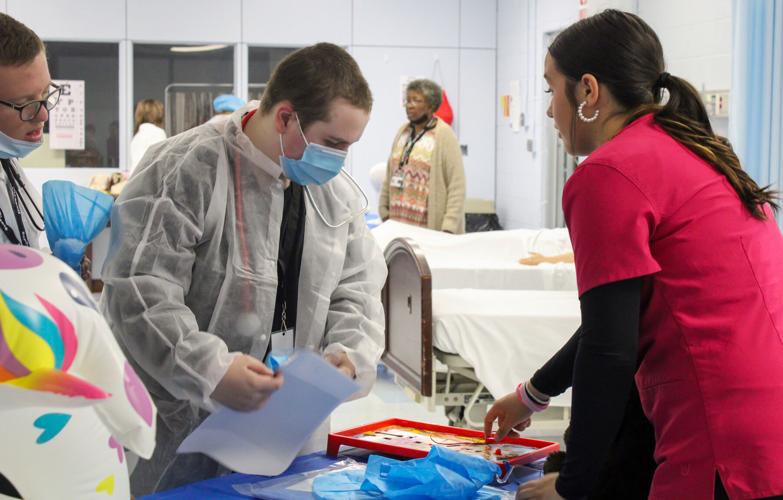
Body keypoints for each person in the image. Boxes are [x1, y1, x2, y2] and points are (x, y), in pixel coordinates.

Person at [484, 10, 783, 500]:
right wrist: (533, 394)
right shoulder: (695, 148)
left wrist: (573, 487)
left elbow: (610, 346)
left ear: (587, 91)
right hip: (764, 428)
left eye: (549, 90)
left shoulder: (608, 174)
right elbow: (627, 310)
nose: (547, 110)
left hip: (720, 440)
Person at [100, 42, 386, 495]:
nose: (339, 160)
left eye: (349, 146)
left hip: (288, 437)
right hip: (181, 426)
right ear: (286, 118)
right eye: (333, 143)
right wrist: (209, 371)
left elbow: (359, 289)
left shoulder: (334, 195)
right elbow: (140, 292)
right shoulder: (185, 169)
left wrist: (347, 356)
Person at [0, 13, 59, 250]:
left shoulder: (7, 160)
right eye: (25, 104)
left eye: (45, 94)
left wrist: (50, 265)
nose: (43, 115)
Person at [379, 78, 465, 233]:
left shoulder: (444, 134)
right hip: (398, 224)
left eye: (416, 100)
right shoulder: (402, 132)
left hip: (429, 228)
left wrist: (449, 227)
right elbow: (390, 173)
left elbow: (457, 185)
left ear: (431, 106)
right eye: (407, 100)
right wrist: (383, 209)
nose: (409, 105)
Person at [129, 98, 166, 174]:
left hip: (135, 178)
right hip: (146, 179)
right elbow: (160, 161)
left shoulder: (138, 135)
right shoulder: (158, 132)